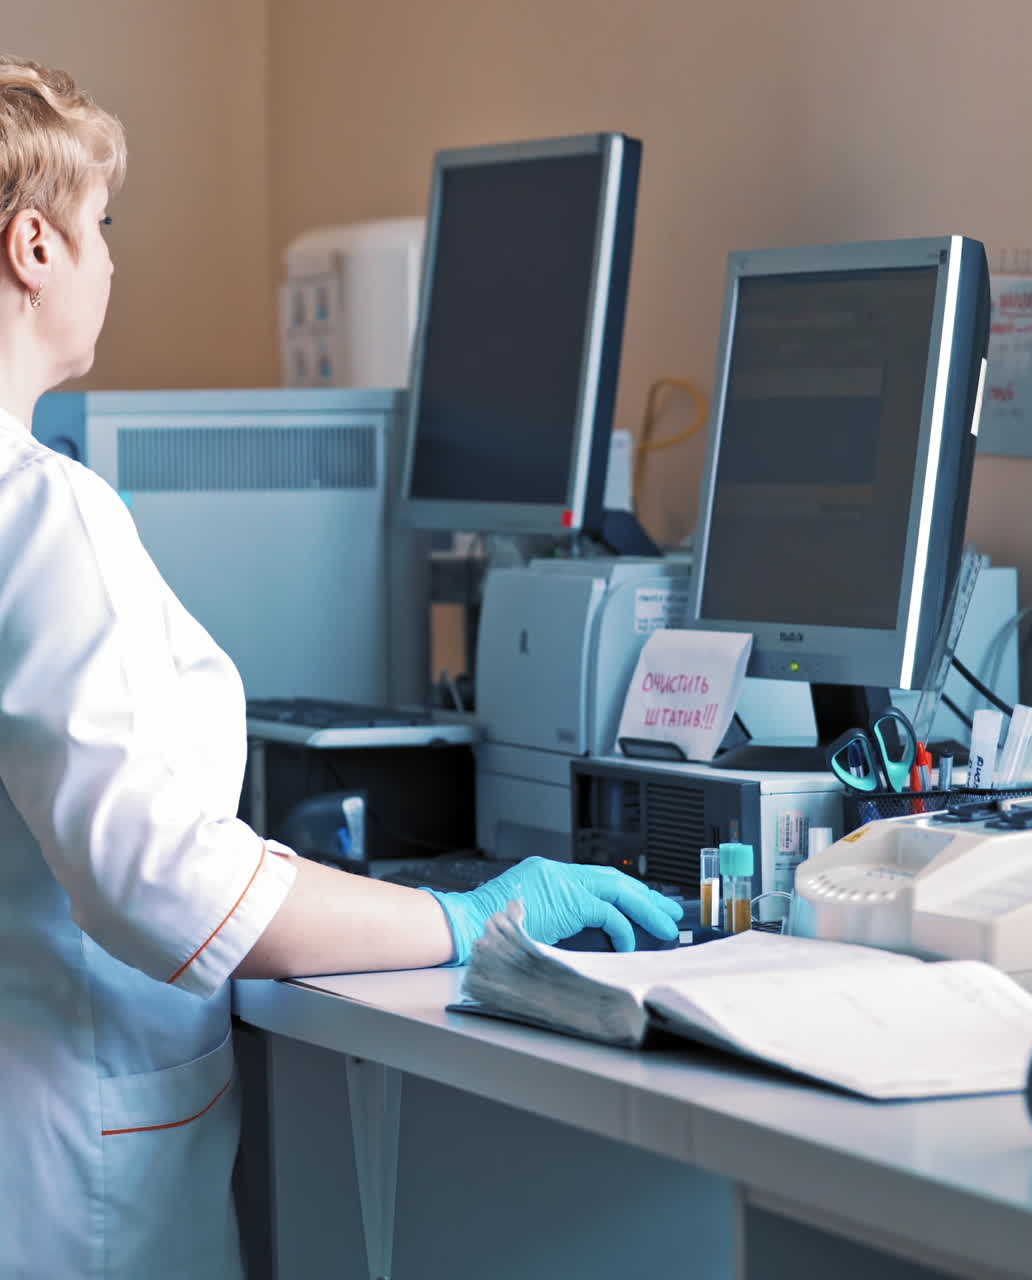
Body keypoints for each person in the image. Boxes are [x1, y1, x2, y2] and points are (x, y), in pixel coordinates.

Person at [0, 55, 681, 1279]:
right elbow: (153, 876)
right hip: (63, 1169)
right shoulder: (41, 514)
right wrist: (463, 917)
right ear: (33, 247)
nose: (112, 259)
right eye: (102, 226)